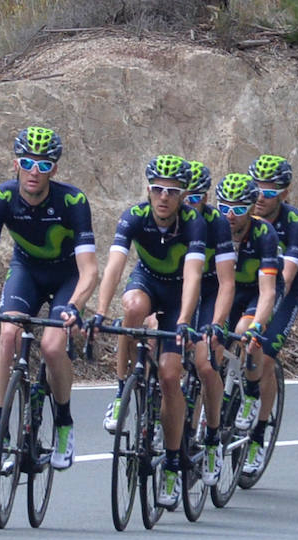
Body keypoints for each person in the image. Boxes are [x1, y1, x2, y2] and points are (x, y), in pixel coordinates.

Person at [0, 126, 98, 472]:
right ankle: (1, 434)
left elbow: (90, 270)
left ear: (54, 170)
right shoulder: (0, 198)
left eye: (44, 165)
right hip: (27, 272)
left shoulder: (72, 202)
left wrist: (75, 306)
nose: (35, 171)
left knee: (51, 346)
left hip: (67, 276)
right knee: (8, 335)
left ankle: (63, 422)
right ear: (15, 163)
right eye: (28, 162)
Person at [94, 155, 206, 508]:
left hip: (178, 297)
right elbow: (114, 266)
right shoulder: (134, 216)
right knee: (132, 308)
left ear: (182, 195)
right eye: (157, 189)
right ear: (148, 189)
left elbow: (192, 275)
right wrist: (99, 312)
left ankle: (173, 464)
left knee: (171, 377)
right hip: (147, 282)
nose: (163, 197)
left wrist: (186, 317)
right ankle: (121, 388)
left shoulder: (193, 223)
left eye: (172, 191)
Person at [242, 154, 298, 476]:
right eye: (255, 189)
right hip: (246, 284)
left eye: (268, 192)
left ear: (284, 193)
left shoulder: (294, 223)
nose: (259, 197)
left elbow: (287, 277)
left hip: (281, 289)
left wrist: (261, 313)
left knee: (264, 355)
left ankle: (258, 434)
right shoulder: (239, 214)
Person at [217, 173, 281, 467]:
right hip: (225, 292)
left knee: (245, 331)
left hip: (256, 293)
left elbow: (269, 291)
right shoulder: (210, 229)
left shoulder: (264, 233)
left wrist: (258, 325)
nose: (230, 216)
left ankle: (252, 391)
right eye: (224, 208)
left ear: (251, 209)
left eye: (239, 209)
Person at [184, 161, 236, 486]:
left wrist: (216, 323)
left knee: (204, 365)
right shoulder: (168, 219)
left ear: (205, 197)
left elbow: (227, 283)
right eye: (183, 196)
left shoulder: (217, 223)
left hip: (212, 292)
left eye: (195, 198)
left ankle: (213, 436)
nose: (188, 203)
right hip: (179, 289)